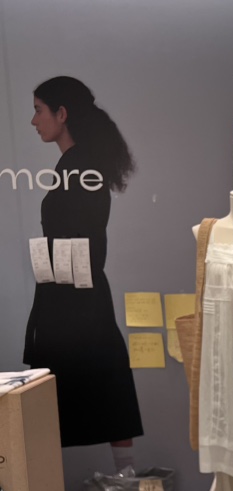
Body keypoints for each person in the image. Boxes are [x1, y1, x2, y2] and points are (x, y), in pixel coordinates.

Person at [26, 76, 142, 470]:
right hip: (75, 292)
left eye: (39, 110)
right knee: (103, 387)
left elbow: (84, 239)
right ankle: (124, 480)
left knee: (87, 389)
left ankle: (122, 485)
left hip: (73, 297)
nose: (34, 121)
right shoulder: (78, 166)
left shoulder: (79, 168)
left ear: (61, 114)